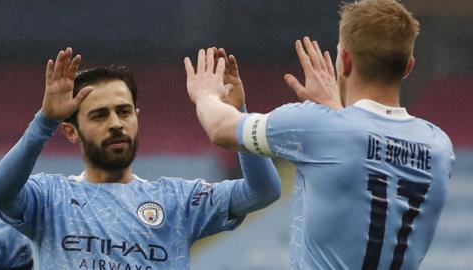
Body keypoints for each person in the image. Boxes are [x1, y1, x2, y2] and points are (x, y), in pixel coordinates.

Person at [184, 0, 455, 269]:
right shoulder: (440, 147)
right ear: (408, 66)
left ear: (345, 61)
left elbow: (220, 129)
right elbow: (371, 157)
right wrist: (336, 112)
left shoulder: (316, 126)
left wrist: (206, 93)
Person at [0, 48, 281, 269]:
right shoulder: (48, 197)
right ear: (70, 131)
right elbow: (0, 191)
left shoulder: (179, 200)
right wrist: (44, 122)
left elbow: (263, 191)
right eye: (99, 115)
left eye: (124, 111)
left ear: (136, 118)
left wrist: (239, 116)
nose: (116, 123)